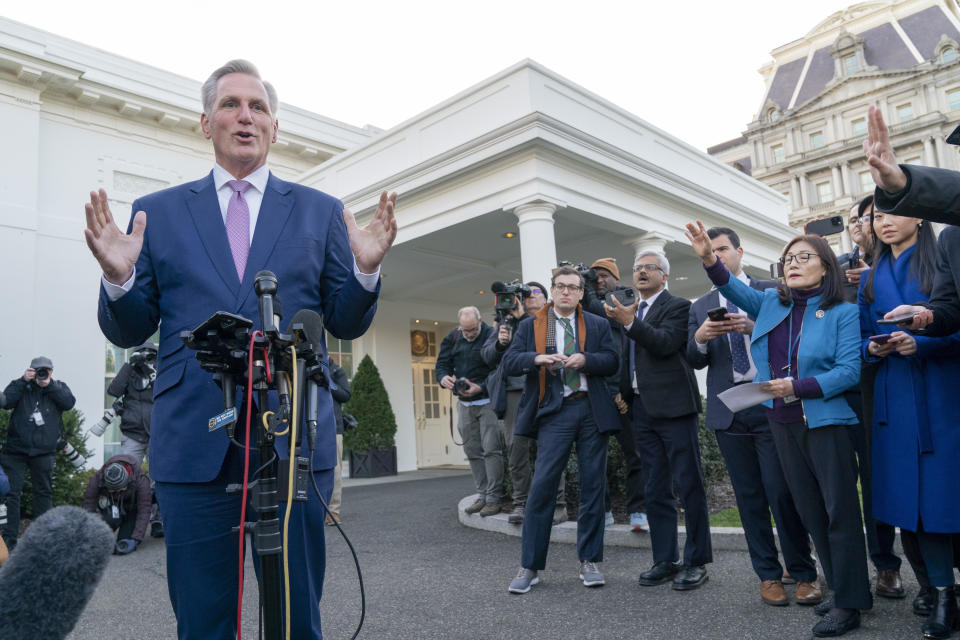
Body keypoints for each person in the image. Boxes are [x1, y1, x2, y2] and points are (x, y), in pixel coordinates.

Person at [84, 60, 396, 639]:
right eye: (230, 105)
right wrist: (119, 280)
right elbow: (127, 330)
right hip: (193, 439)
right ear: (206, 122)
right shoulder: (159, 212)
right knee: (202, 616)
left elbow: (346, 322)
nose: (244, 116)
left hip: (294, 437)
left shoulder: (321, 211)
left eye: (258, 107)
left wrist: (365, 272)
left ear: (275, 128)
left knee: (297, 611)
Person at [686, 221, 870, 638]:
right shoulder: (771, 302)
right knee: (810, 512)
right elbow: (730, 287)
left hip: (825, 422)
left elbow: (849, 371)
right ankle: (839, 588)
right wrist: (707, 256)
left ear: (826, 267)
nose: (793, 264)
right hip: (781, 423)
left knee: (839, 511)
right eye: (788, 259)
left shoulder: (842, 311)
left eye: (804, 257)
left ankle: (851, 601)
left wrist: (797, 386)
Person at [686, 227, 819, 607]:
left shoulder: (771, 290)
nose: (718, 256)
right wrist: (701, 337)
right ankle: (768, 574)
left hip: (772, 406)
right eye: (711, 253)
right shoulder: (699, 304)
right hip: (729, 412)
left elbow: (796, 336)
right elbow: (692, 358)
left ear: (739, 251)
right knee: (749, 498)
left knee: (783, 491)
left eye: (723, 249)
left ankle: (803, 571)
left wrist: (755, 325)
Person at [859, 209, 960, 639]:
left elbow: (955, 324)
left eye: (894, 212)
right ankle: (940, 593)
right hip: (895, 397)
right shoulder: (871, 275)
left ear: (921, 216)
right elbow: (862, 336)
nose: (883, 222)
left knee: (942, 496)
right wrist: (873, 349)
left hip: (944, 392)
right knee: (915, 507)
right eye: (876, 216)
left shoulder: (945, 254)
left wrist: (920, 341)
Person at [503, 266, 619, 593]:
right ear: (553, 291)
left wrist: (587, 360)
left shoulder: (596, 324)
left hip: (591, 409)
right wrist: (537, 358)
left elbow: (612, 361)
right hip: (555, 411)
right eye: (560, 286)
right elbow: (510, 362)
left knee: (593, 486)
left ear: (582, 293)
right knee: (542, 488)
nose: (566, 292)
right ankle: (530, 566)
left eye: (572, 287)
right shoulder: (533, 325)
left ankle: (590, 560)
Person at [605, 251, 711, 592]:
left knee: (689, 485)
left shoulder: (678, 306)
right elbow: (627, 357)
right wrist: (623, 391)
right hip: (642, 410)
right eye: (636, 268)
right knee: (654, 488)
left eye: (649, 268)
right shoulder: (628, 311)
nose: (640, 272)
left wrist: (631, 323)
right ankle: (665, 559)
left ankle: (696, 562)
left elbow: (665, 344)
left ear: (665, 276)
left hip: (676, 409)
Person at [582, 258, 647, 532]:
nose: (599, 279)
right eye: (594, 276)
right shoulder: (590, 307)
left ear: (616, 279)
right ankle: (604, 509)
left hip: (627, 393)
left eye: (603, 275)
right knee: (598, 457)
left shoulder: (623, 302)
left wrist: (620, 392)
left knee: (637, 454)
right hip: (600, 393)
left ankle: (639, 511)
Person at [0, 356, 76, 551]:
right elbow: (6, 401)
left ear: (52, 371)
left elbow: (69, 403)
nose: (42, 374)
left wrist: (49, 385)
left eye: (46, 370)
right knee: (11, 495)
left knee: (43, 493)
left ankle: (43, 540)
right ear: (31, 371)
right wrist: (22, 380)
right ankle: (9, 541)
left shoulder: (58, 387)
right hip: (15, 451)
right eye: (38, 371)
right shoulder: (21, 386)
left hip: (44, 452)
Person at [435, 307, 503, 516]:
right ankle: (481, 495)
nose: (469, 334)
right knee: (472, 451)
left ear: (480, 321)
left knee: (491, 449)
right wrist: (443, 377)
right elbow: (442, 364)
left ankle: (494, 498)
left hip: (488, 401)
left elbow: (499, 369)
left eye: (472, 330)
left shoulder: (492, 336)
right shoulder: (453, 337)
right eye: (465, 331)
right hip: (465, 405)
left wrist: (481, 386)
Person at [82, 454, 152, 555]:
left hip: (132, 510)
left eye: (120, 489)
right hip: (111, 508)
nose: (117, 493)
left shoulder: (141, 480)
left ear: (127, 481)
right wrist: (87, 536)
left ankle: (126, 533)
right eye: (112, 490)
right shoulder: (98, 478)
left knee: (122, 544)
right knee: (108, 522)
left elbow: (144, 510)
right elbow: (88, 505)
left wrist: (136, 539)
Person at [105, 342, 157, 464]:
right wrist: (129, 364)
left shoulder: (159, 371)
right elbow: (114, 391)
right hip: (132, 434)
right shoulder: (129, 371)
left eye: (150, 356)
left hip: (156, 434)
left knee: (159, 477)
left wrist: (149, 370)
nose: (145, 359)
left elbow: (164, 391)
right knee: (128, 476)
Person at [326, 357, 351, 526]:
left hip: (334, 427)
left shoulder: (337, 371)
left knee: (335, 471)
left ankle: (333, 512)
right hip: (310, 426)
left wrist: (328, 382)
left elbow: (345, 395)